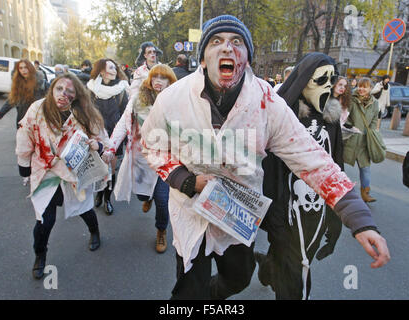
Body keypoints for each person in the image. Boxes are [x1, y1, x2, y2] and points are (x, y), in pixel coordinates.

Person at [139, 15, 389, 300]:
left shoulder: (267, 102)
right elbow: (153, 146)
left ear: (247, 58)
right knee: (188, 291)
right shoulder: (173, 99)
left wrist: (360, 219)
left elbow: (313, 160)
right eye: (216, 42)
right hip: (190, 210)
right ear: (204, 58)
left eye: (237, 42)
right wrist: (186, 180)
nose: (227, 48)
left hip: (238, 214)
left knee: (239, 279)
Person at [256, 53, 345, 300]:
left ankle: (267, 267)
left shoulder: (331, 121)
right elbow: (267, 169)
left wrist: (336, 218)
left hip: (315, 213)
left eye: (332, 78)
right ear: (304, 80)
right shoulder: (281, 116)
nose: (328, 85)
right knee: (296, 277)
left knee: (294, 262)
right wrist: (273, 216)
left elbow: (336, 166)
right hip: (284, 210)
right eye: (321, 79)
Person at [15, 73, 109, 280]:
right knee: (44, 221)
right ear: (52, 89)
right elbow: (25, 136)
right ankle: (40, 256)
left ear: (76, 96)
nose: (63, 94)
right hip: (46, 172)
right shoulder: (37, 109)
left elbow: (102, 140)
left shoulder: (84, 113)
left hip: (75, 174)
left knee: (84, 209)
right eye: (59, 89)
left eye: (69, 92)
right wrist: (24, 166)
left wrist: (99, 146)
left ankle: (94, 231)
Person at [102, 64, 177, 253]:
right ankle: (147, 197)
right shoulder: (137, 99)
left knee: (162, 199)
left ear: (171, 81)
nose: (159, 81)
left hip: (165, 160)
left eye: (164, 78)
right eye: (156, 77)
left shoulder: (177, 102)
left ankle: (161, 230)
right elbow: (122, 124)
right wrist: (111, 148)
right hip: (142, 159)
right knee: (143, 195)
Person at [87, 58, 129, 215]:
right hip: (96, 136)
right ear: (101, 71)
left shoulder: (121, 89)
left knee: (110, 169)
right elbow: (86, 112)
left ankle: (107, 199)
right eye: (110, 68)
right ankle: (99, 192)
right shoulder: (91, 89)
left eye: (115, 68)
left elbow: (126, 115)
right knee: (99, 167)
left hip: (114, 136)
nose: (114, 70)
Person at [343, 78, 380, 203]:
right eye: (360, 86)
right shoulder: (351, 99)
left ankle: (365, 192)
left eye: (365, 87)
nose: (361, 89)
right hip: (350, 139)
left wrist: (372, 132)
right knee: (340, 165)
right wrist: (349, 127)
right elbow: (344, 115)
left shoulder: (374, 103)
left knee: (365, 168)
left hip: (364, 141)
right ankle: (337, 189)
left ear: (370, 89)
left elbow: (375, 119)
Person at [0, 59, 47, 128]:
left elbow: (53, 99)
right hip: (22, 120)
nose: (23, 70)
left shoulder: (41, 83)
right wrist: (1, 112)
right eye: (21, 68)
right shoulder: (18, 84)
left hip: (38, 121)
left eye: (26, 67)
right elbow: (12, 100)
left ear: (30, 68)